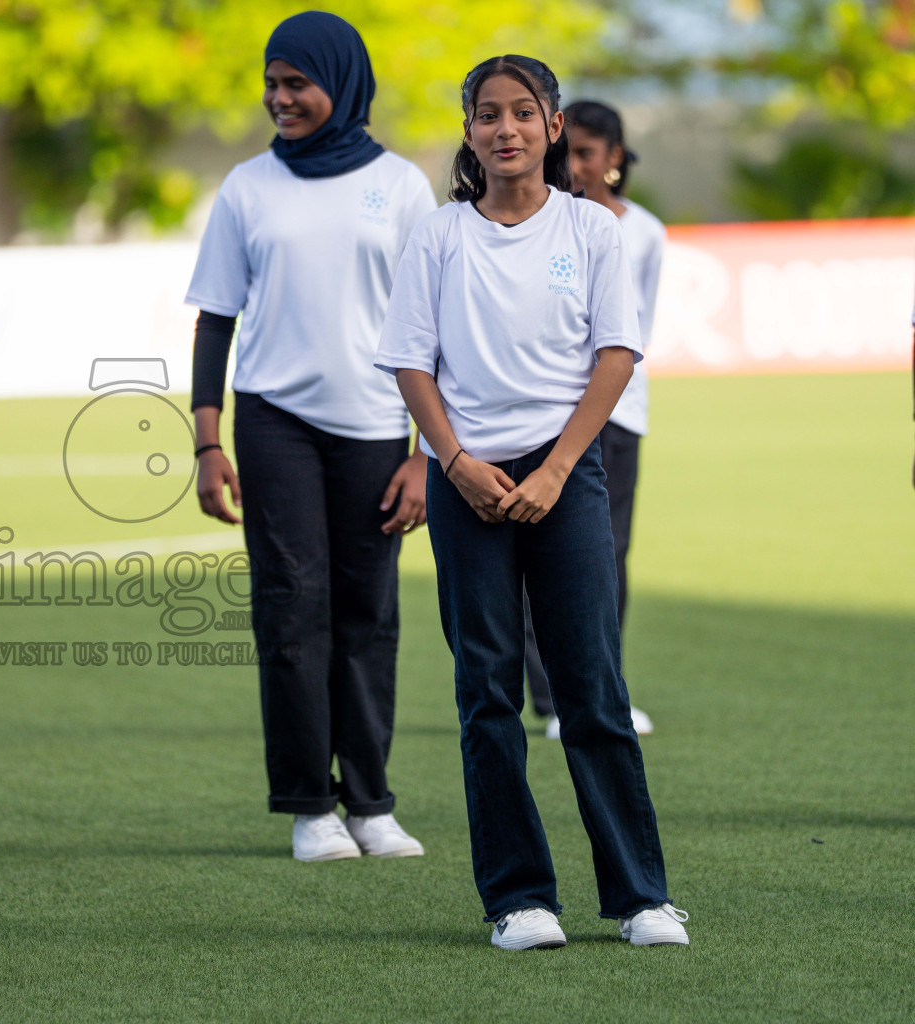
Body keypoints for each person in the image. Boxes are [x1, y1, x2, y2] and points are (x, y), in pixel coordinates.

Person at [376, 55, 689, 949]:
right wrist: (455, 462)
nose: (504, 128)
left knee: (591, 685)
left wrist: (555, 470)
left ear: (554, 126)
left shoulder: (592, 230)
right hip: (465, 481)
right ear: (469, 131)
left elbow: (617, 355)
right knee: (486, 693)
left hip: (567, 476)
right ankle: (519, 900)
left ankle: (640, 897)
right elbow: (410, 362)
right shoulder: (439, 235)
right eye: (487, 114)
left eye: (523, 112)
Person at [186, 11, 437, 863]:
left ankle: (369, 802)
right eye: (272, 83)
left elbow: (433, 327)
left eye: (297, 83)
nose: (279, 98)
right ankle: (309, 806)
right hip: (273, 422)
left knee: (368, 612)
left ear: (342, 82)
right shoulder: (247, 187)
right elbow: (216, 318)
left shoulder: (401, 186)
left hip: (377, 426)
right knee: (292, 607)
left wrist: (427, 455)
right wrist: (208, 443)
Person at [523, 99, 665, 740]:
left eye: (586, 153)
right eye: (568, 151)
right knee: (540, 553)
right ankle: (555, 698)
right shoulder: (540, 222)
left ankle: (603, 687)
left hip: (618, 410)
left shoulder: (645, 233)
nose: (574, 165)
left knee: (608, 553)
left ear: (614, 159)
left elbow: (636, 331)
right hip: (550, 412)